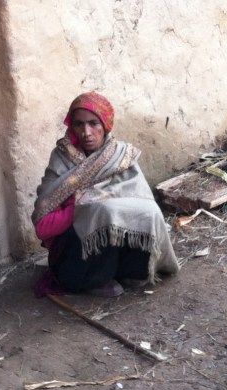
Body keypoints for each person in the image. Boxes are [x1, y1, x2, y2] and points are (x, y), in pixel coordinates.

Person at [32, 91, 179, 298]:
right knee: (101, 213)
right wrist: (83, 208)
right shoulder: (61, 159)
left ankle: (131, 271)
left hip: (116, 248)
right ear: (72, 127)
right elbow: (43, 227)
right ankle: (91, 280)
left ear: (106, 125)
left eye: (93, 123)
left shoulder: (121, 156)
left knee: (146, 213)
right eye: (79, 124)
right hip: (76, 254)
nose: (86, 132)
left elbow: (142, 200)